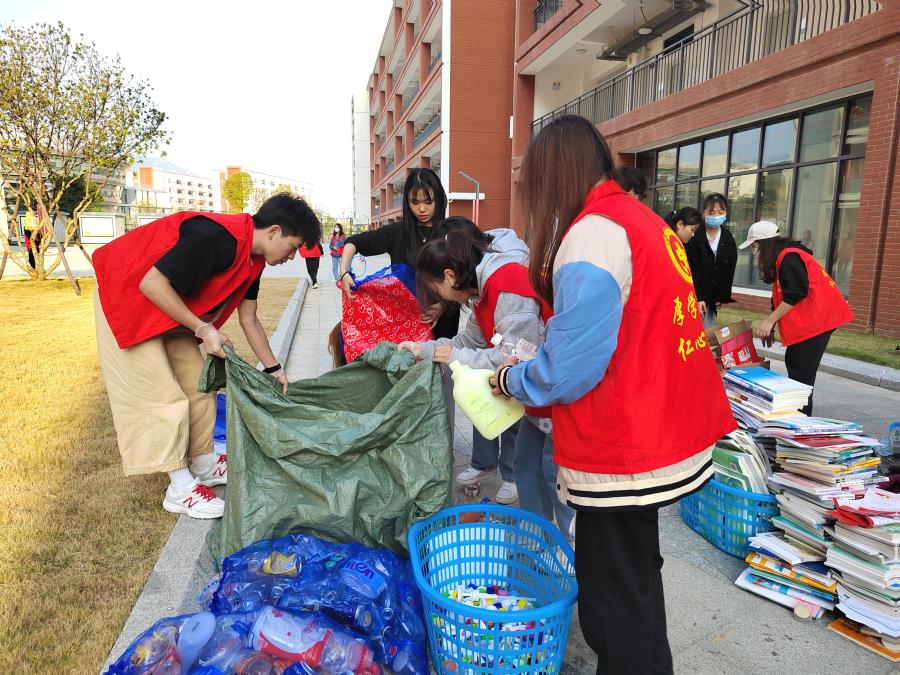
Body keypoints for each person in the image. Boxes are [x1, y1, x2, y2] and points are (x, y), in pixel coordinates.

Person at [490, 115, 735, 674]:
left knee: (612, 604)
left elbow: (567, 369)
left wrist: (509, 379)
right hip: (662, 428)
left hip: (623, 448)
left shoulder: (593, 234)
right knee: (637, 586)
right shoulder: (642, 220)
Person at [93, 194, 321, 519]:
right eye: (293, 247)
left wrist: (274, 369)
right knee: (161, 395)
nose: (293, 256)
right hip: (127, 299)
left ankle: (204, 464)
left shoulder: (253, 261)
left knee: (200, 385)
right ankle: (179, 489)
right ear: (273, 231)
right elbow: (152, 283)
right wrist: (203, 328)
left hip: (167, 308)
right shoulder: (217, 237)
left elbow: (249, 319)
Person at [399, 218, 573, 529]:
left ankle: (568, 545)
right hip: (536, 398)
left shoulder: (507, 284)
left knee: (552, 475)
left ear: (449, 276)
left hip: (555, 396)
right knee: (527, 466)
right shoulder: (482, 292)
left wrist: (458, 357)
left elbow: (518, 356)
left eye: (436, 289)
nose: (439, 297)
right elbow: (469, 341)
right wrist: (421, 349)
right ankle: (537, 538)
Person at [741, 220, 854, 415]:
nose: (754, 252)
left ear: (764, 244)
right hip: (814, 320)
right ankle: (797, 418)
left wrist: (769, 321)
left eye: (754, 246)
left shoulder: (789, 257)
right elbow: (781, 294)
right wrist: (773, 324)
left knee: (801, 375)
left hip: (819, 321)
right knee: (795, 364)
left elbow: (796, 293)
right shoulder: (784, 257)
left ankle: (801, 421)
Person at [338, 168, 460, 340]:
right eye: (415, 202)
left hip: (444, 324)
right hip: (405, 324)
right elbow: (354, 242)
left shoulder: (452, 232)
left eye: (428, 202)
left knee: (441, 357)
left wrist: (443, 306)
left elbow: (464, 277)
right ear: (407, 202)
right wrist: (343, 271)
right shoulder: (398, 232)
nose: (422, 209)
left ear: (439, 199)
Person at [687, 193, 738, 328]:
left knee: (707, 332)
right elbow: (691, 268)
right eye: (711, 212)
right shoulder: (695, 234)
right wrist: (698, 297)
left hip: (712, 298)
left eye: (720, 212)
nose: (716, 216)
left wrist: (722, 296)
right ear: (704, 212)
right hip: (692, 294)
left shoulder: (727, 237)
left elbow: (729, 269)